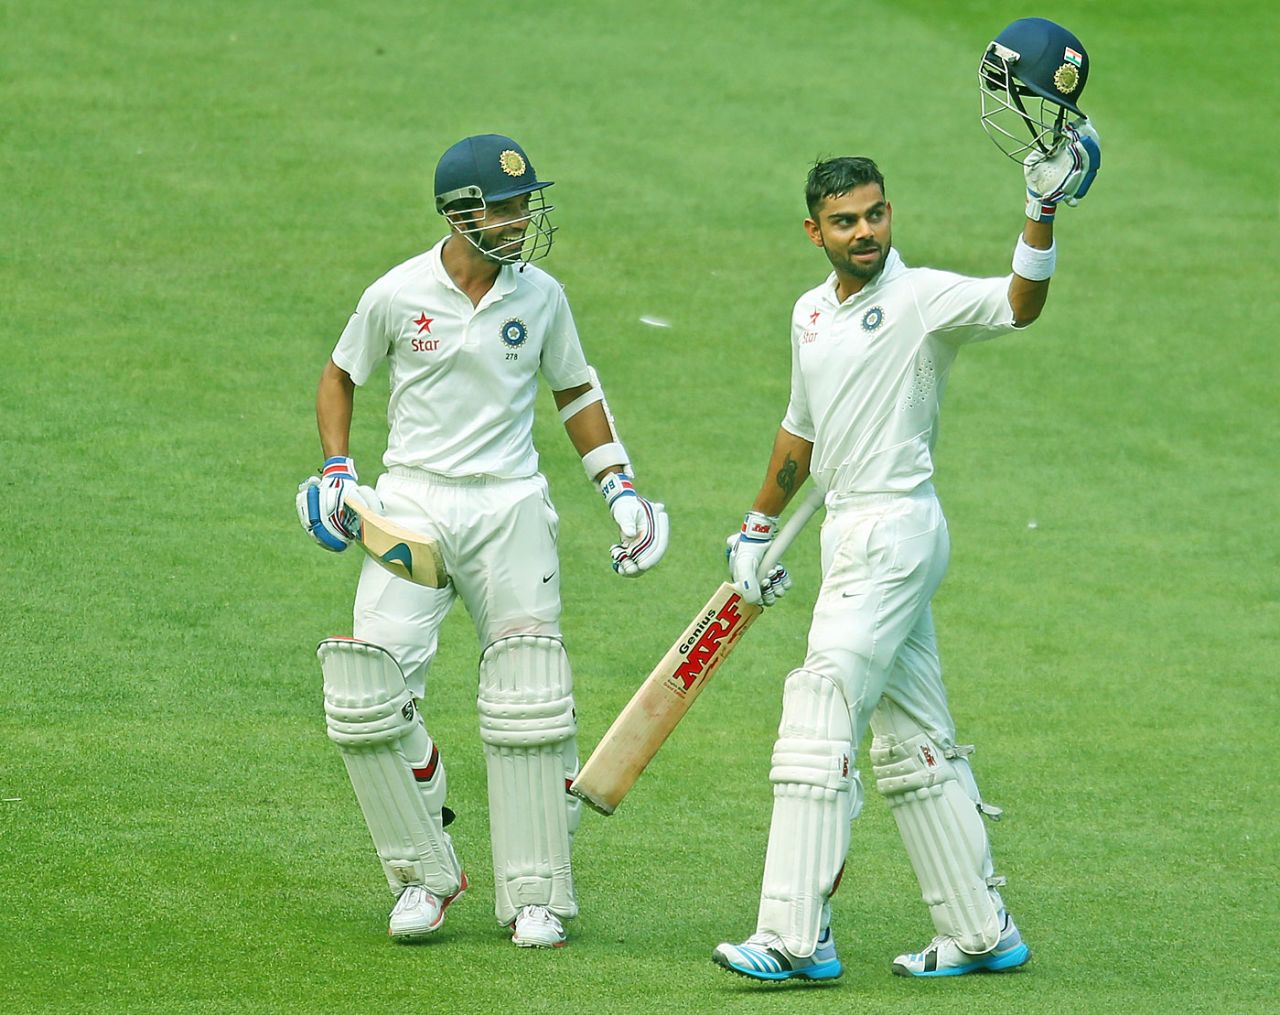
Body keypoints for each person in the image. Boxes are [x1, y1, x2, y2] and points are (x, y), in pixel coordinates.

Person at [711, 18, 1100, 983]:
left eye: (877, 215)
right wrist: (757, 525)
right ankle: (980, 930)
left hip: (895, 529)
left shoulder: (924, 298)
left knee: (820, 707)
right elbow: (798, 436)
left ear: (891, 214)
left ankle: (795, 939)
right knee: (913, 734)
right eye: (846, 221)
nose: (866, 232)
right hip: (848, 531)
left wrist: (1040, 214)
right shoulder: (807, 313)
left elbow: (1019, 303)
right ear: (816, 231)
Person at [295, 133, 669, 949]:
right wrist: (335, 469)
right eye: (505, 207)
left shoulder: (541, 297)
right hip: (411, 505)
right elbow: (339, 373)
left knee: (530, 696)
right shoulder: (398, 292)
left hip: (510, 508)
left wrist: (620, 487)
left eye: (524, 204)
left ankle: (535, 896)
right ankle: (424, 877)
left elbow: (575, 388)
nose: (520, 219)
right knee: (366, 695)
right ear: (461, 213)